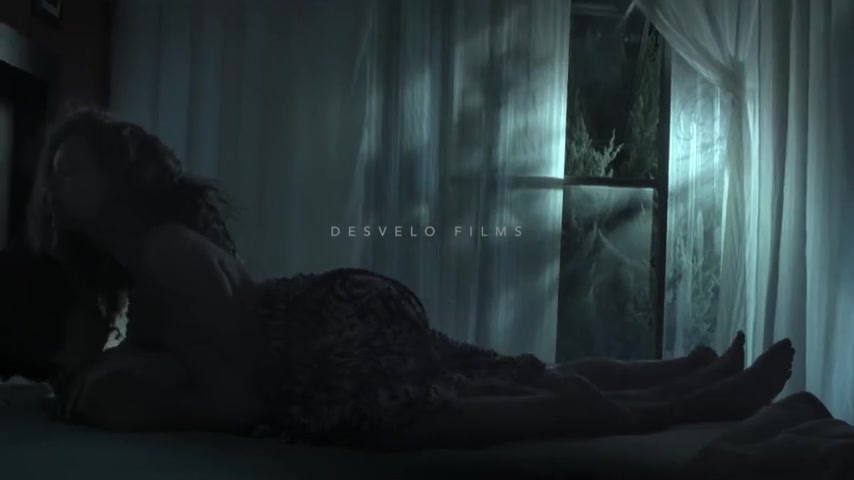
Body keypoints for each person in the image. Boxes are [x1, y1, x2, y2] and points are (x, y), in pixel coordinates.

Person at [21, 107, 795, 450]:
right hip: (328, 318)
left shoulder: (161, 252)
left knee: (523, 405)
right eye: (52, 171)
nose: (54, 185)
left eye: (70, 169)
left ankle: (694, 401)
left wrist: (130, 393)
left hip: (318, 354)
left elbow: (236, 393)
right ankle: (691, 374)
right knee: (512, 373)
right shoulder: (151, 255)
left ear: (118, 177)